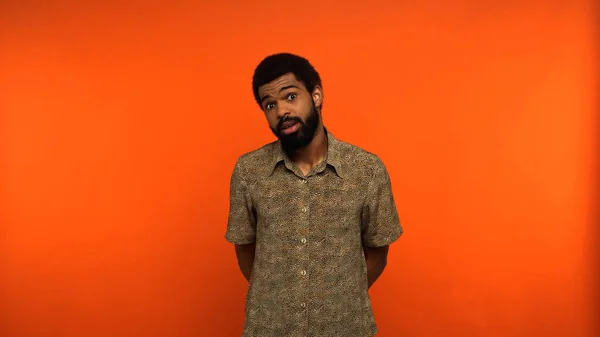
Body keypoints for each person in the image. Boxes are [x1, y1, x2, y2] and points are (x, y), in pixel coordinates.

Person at [225, 52, 403, 337]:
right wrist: (280, 299)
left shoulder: (366, 169)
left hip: (345, 328)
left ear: (316, 95)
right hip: (269, 328)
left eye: (291, 96)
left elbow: (378, 251)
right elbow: (245, 248)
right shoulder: (249, 171)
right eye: (269, 104)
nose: (281, 111)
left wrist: (337, 297)